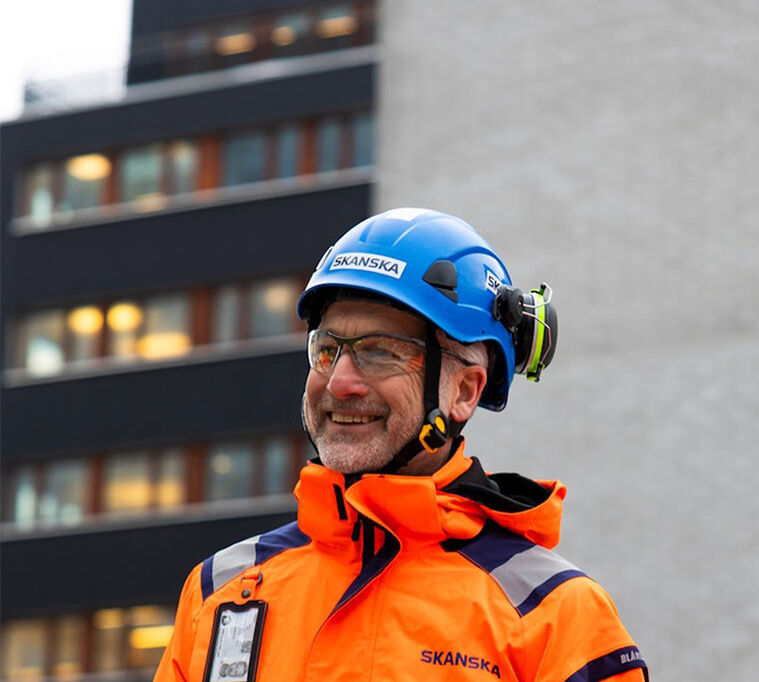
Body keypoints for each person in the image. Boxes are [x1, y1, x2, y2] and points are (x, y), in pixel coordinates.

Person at [155, 208, 647, 681]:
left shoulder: (554, 615)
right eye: (327, 350)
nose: (339, 382)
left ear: (464, 391)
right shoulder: (222, 590)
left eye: (382, 352)